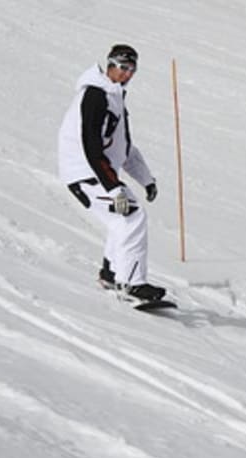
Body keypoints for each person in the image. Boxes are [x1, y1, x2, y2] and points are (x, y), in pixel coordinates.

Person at [58, 44, 165, 303]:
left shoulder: (114, 97)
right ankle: (131, 284)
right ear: (110, 64)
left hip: (97, 173)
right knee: (132, 216)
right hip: (85, 172)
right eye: (123, 67)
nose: (127, 74)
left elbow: (123, 147)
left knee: (121, 221)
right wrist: (113, 187)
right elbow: (90, 144)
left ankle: (111, 274)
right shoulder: (95, 95)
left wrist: (146, 180)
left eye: (132, 70)